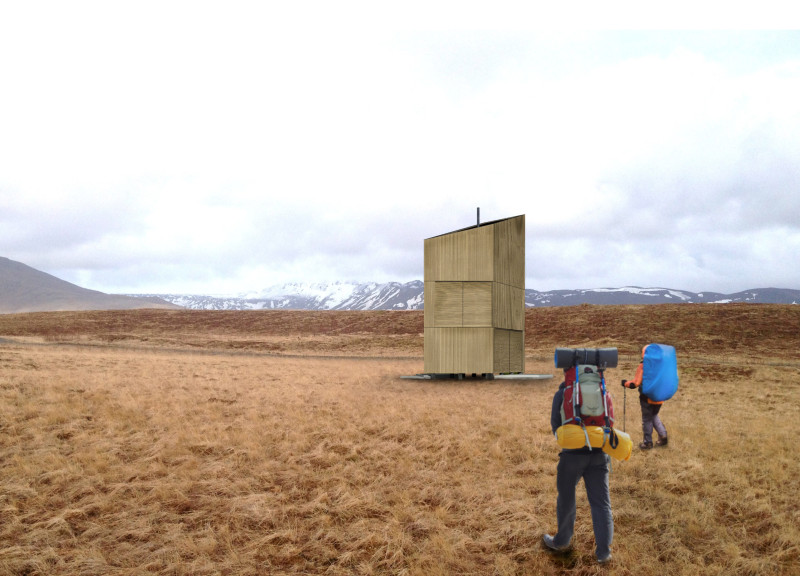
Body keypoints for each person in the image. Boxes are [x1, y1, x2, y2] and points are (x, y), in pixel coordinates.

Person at [543, 366, 613, 564]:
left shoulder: (563, 393)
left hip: (572, 456)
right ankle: (604, 553)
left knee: (566, 499)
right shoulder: (602, 390)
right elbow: (610, 421)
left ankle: (562, 541)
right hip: (599, 454)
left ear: (568, 372)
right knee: (601, 503)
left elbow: (555, 426)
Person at [622, 346, 668, 449]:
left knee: (647, 419)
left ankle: (647, 442)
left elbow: (635, 383)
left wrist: (625, 383)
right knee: (654, 415)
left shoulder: (643, 366)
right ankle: (663, 435)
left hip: (647, 397)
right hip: (659, 396)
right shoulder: (661, 365)